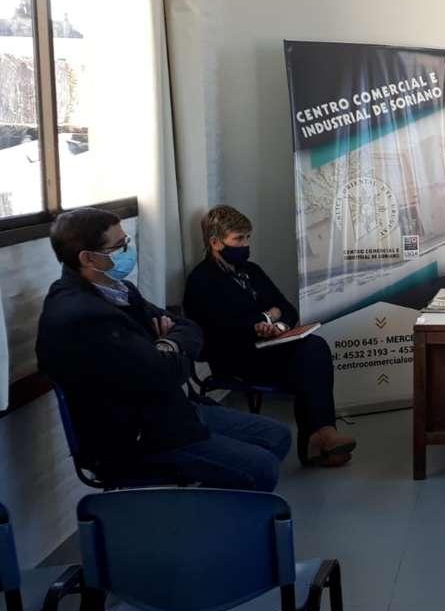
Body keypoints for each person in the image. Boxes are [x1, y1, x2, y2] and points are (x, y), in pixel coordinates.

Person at [36, 207, 291, 491]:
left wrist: (167, 343)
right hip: (141, 435)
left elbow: (190, 328)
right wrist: (169, 350)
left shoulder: (119, 290)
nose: (127, 250)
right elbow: (166, 374)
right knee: (262, 468)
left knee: (278, 436)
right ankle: (212, 511)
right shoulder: (81, 315)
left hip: (172, 409)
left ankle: (213, 498)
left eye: (127, 241)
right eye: (119, 246)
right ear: (87, 258)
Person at [184, 205, 356, 467]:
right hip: (234, 357)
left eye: (248, 237)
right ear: (215, 243)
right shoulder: (201, 280)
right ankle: (319, 437)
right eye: (238, 239)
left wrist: (280, 327)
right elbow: (220, 328)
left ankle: (321, 435)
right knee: (310, 359)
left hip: (268, 347)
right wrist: (266, 318)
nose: (246, 244)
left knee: (313, 347)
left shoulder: (251, 271)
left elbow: (287, 309)